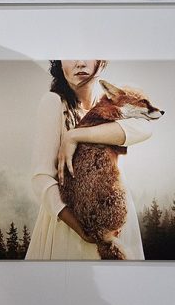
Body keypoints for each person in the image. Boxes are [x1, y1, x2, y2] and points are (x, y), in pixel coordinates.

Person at [25, 60, 155, 260]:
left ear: (101, 61)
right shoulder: (54, 103)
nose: (80, 62)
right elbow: (41, 178)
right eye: (69, 55)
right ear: (59, 63)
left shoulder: (113, 101)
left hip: (116, 215)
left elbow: (147, 127)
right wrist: (82, 229)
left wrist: (74, 136)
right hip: (70, 223)